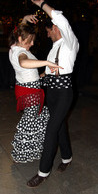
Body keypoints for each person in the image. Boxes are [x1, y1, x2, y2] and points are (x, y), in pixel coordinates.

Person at [27, 0, 79, 187]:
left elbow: (60, 18)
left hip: (65, 93)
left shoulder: (70, 43)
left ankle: (43, 172)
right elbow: (48, 71)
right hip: (52, 93)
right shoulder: (52, 49)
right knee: (58, 127)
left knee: (51, 129)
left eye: (48, 31)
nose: (47, 34)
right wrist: (36, 79)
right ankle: (67, 157)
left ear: (55, 28)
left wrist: (42, 5)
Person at [9, 14, 63, 163]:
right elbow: (24, 64)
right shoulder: (20, 53)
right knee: (31, 121)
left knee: (35, 119)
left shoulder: (14, 47)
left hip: (28, 88)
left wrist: (24, 19)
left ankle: (30, 150)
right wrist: (47, 62)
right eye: (30, 40)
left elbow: (19, 32)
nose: (32, 43)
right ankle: (23, 153)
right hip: (30, 92)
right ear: (21, 39)